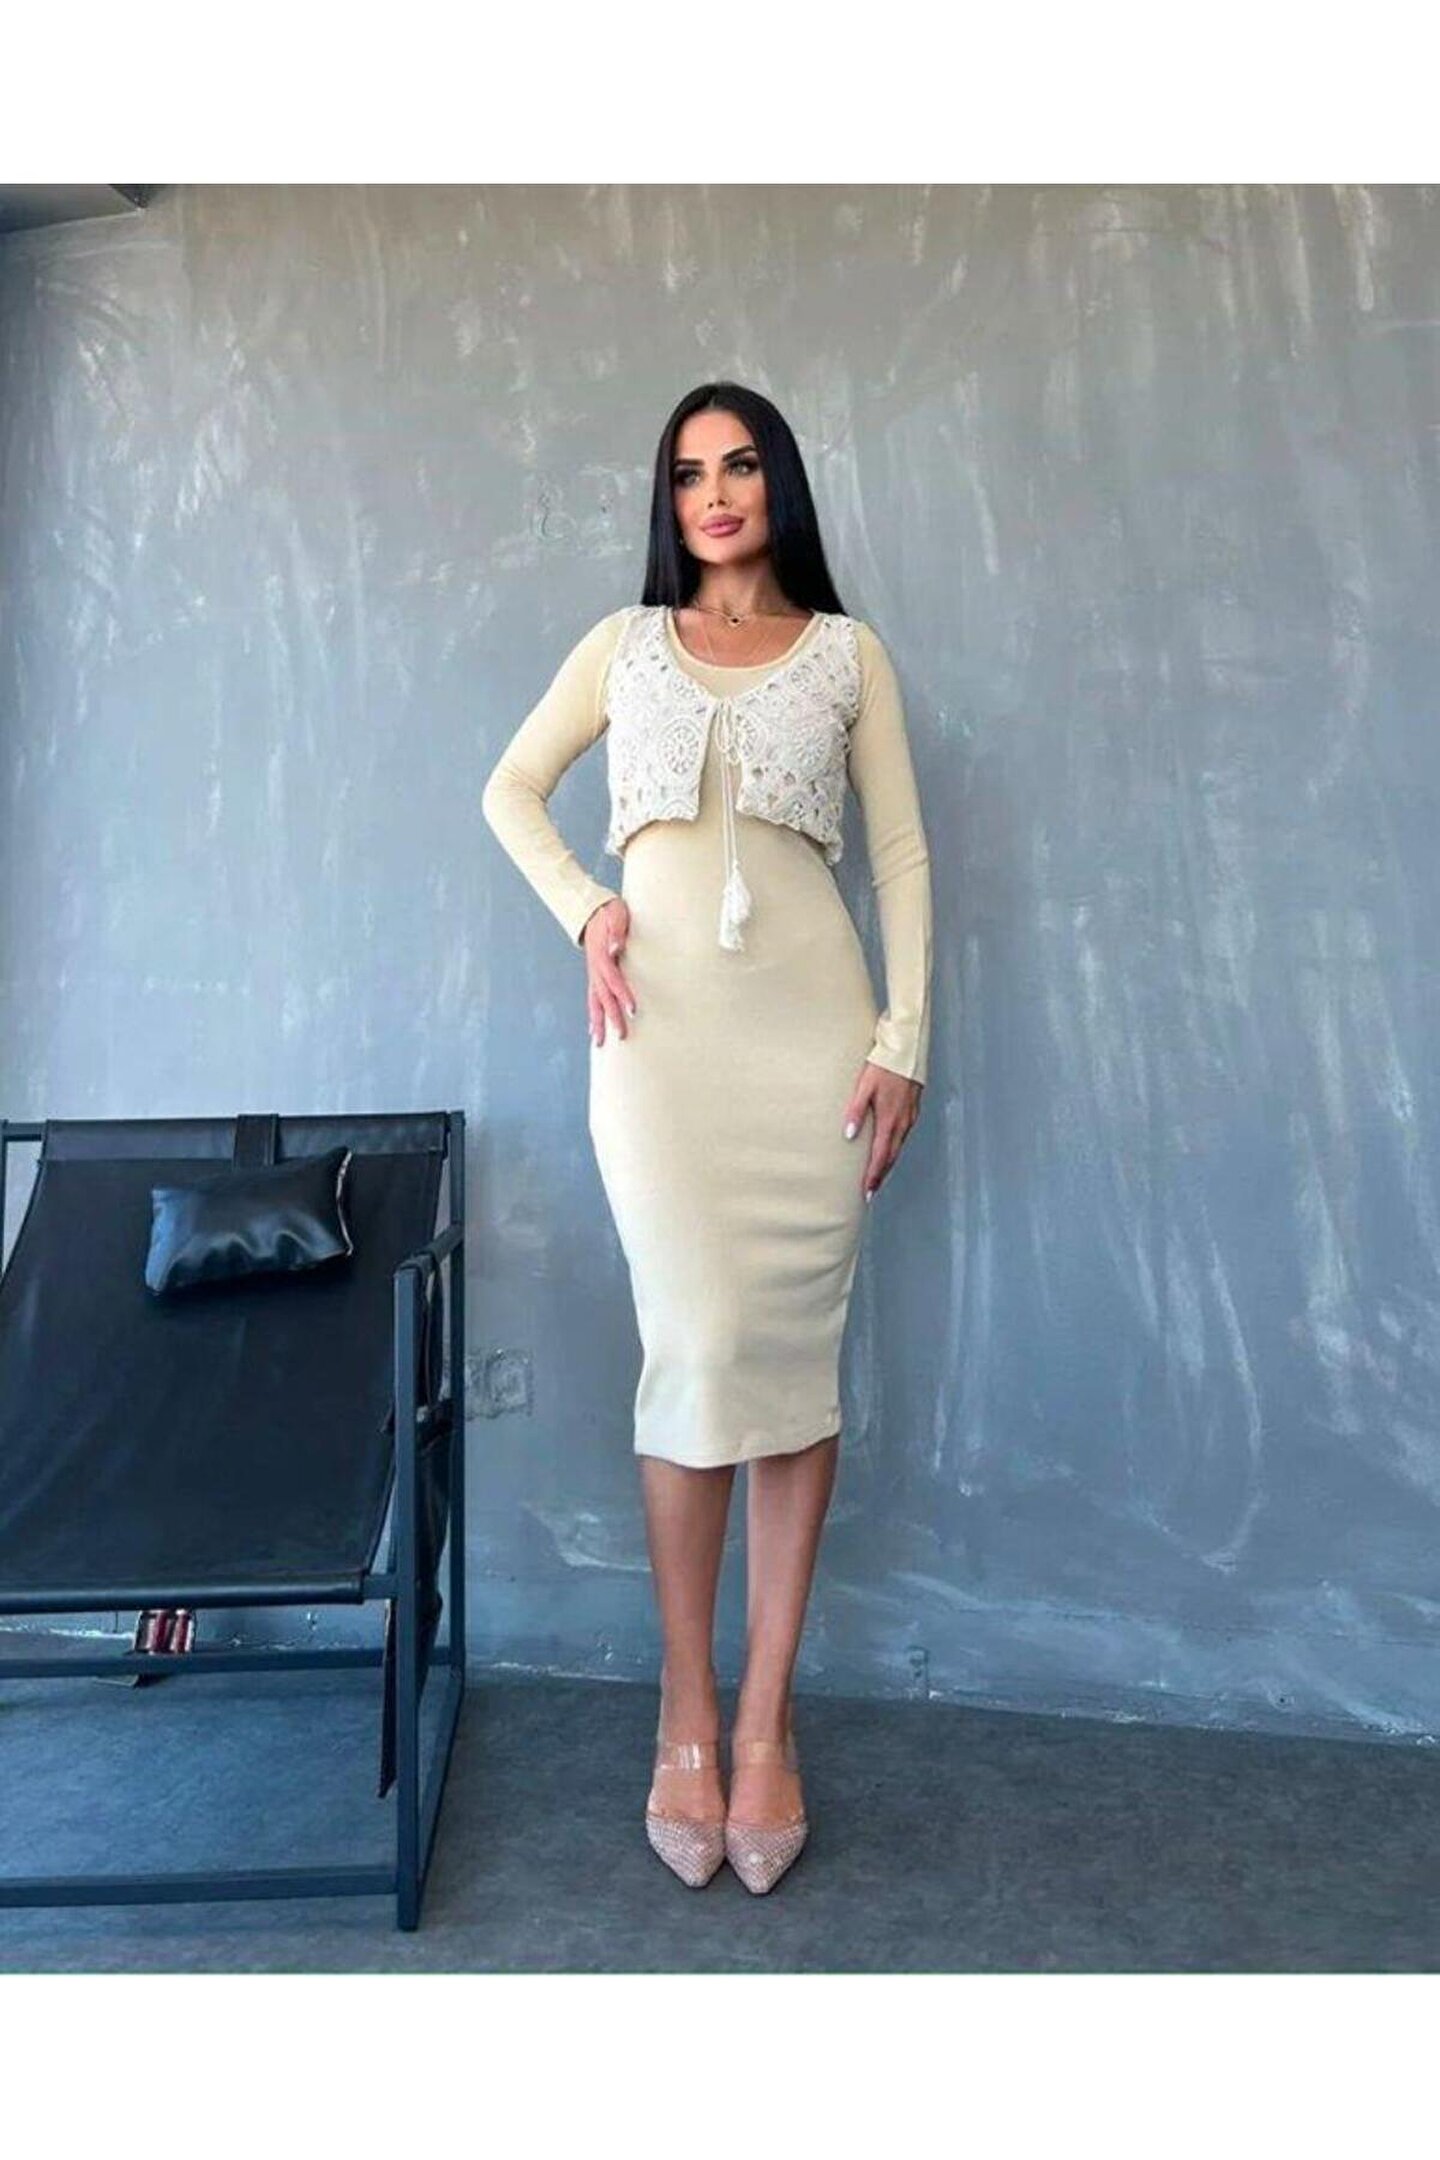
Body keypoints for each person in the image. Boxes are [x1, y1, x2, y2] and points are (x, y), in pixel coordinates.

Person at [481, 380, 933, 1893]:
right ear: (667, 500)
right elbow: (510, 791)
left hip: (816, 1048)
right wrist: (587, 910)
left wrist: (903, 1041)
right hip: (659, 1050)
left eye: (739, 467)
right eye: (688, 474)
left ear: (776, 483)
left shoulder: (849, 655)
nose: (716, 494)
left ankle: (765, 1722)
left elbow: (902, 857)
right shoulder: (624, 644)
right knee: (692, 1353)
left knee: (790, 1372)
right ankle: (685, 1708)